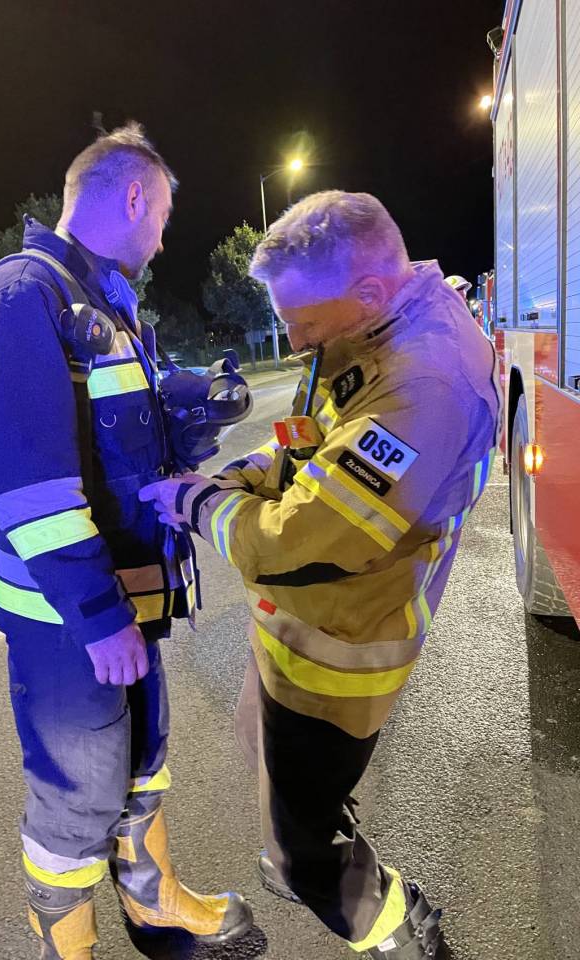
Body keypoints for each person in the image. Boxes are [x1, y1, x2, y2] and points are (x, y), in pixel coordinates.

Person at [141, 190, 501, 959]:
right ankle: (306, 838)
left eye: (302, 321)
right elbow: (308, 444)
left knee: (307, 846)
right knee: (265, 742)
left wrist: (198, 502)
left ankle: (398, 930)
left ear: (365, 292)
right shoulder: (373, 327)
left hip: (343, 647)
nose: (295, 339)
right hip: (301, 626)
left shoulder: (422, 379)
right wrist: (243, 473)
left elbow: (301, 538)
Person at [0, 122, 252, 960]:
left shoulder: (105, 303)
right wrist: (98, 615)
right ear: (131, 196)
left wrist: (185, 425)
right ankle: (67, 948)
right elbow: (28, 485)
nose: (161, 238)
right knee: (78, 794)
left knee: (140, 762)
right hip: (70, 617)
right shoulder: (26, 294)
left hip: (125, 599)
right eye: (160, 216)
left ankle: (156, 908)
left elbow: (109, 448)